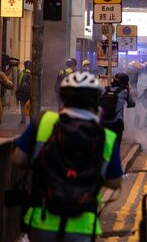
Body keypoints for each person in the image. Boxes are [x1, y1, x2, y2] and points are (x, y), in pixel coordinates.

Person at [12, 71, 122, 241]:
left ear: (62, 98)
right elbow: (114, 182)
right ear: (96, 102)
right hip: (82, 227)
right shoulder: (106, 136)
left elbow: (18, 159)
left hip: (41, 222)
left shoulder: (44, 121)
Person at [100, 72, 135, 149]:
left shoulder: (105, 89)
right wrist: (129, 92)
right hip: (116, 123)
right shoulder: (124, 91)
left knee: (104, 146)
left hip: (103, 121)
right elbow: (132, 104)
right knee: (115, 147)